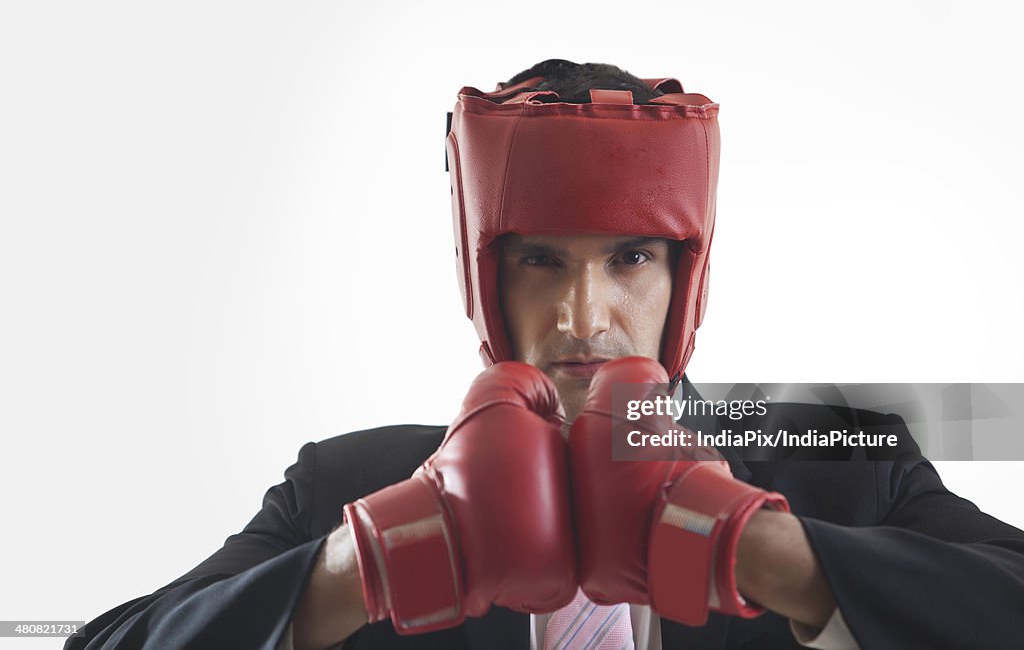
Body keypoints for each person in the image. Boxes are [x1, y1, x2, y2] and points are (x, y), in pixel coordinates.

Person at [66, 60, 1024, 650]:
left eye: (630, 257)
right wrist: (360, 570)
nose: (582, 313)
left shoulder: (842, 465)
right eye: (539, 261)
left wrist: (777, 555)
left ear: (684, 275)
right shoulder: (344, 487)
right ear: (486, 279)